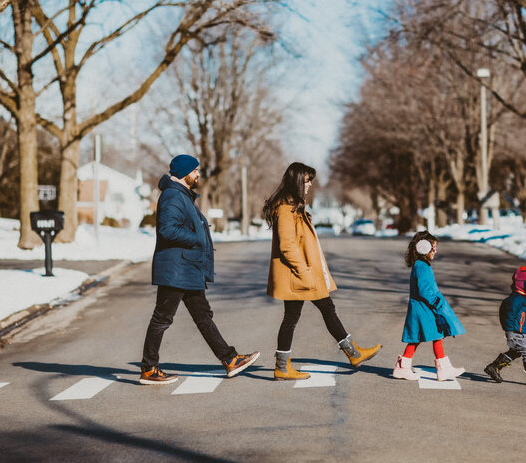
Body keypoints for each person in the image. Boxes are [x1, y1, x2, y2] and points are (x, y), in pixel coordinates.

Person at [139, 154, 259, 384]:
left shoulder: (182, 195)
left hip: (186, 268)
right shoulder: (173, 195)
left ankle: (229, 359)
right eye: (195, 171)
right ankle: (148, 368)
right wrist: (197, 237)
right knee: (162, 318)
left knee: (203, 316)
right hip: (176, 269)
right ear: (185, 173)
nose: (198, 175)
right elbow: (167, 229)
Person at [264, 162, 381, 380]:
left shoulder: (294, 207)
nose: (310, 185)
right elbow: (287, 246)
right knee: (302, 315)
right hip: (298, 275)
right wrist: (304, 271)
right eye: (307, 180)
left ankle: (351, 353)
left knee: (317, 310)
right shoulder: (285, 209)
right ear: (297, 180)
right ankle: (284, 367)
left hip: (303, 273)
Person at [393, 231, 466, 382]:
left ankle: (403, 367)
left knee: (419, 338)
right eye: (433, 247)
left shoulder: (420, 265)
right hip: (425, 309)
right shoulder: (422, 267)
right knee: (434, 336)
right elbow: (425, 290)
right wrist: (437, 303)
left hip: (421, 309)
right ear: (424, 248)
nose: (435, 251)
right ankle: (442, 369)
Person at [483, 266, 526, 386]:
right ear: (524, 285)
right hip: (516, 333)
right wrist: (509, 333)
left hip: (523, 333)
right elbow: (507, 317)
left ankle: (494, 367)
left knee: (516, 351)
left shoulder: (524, 300)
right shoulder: (515, 300)